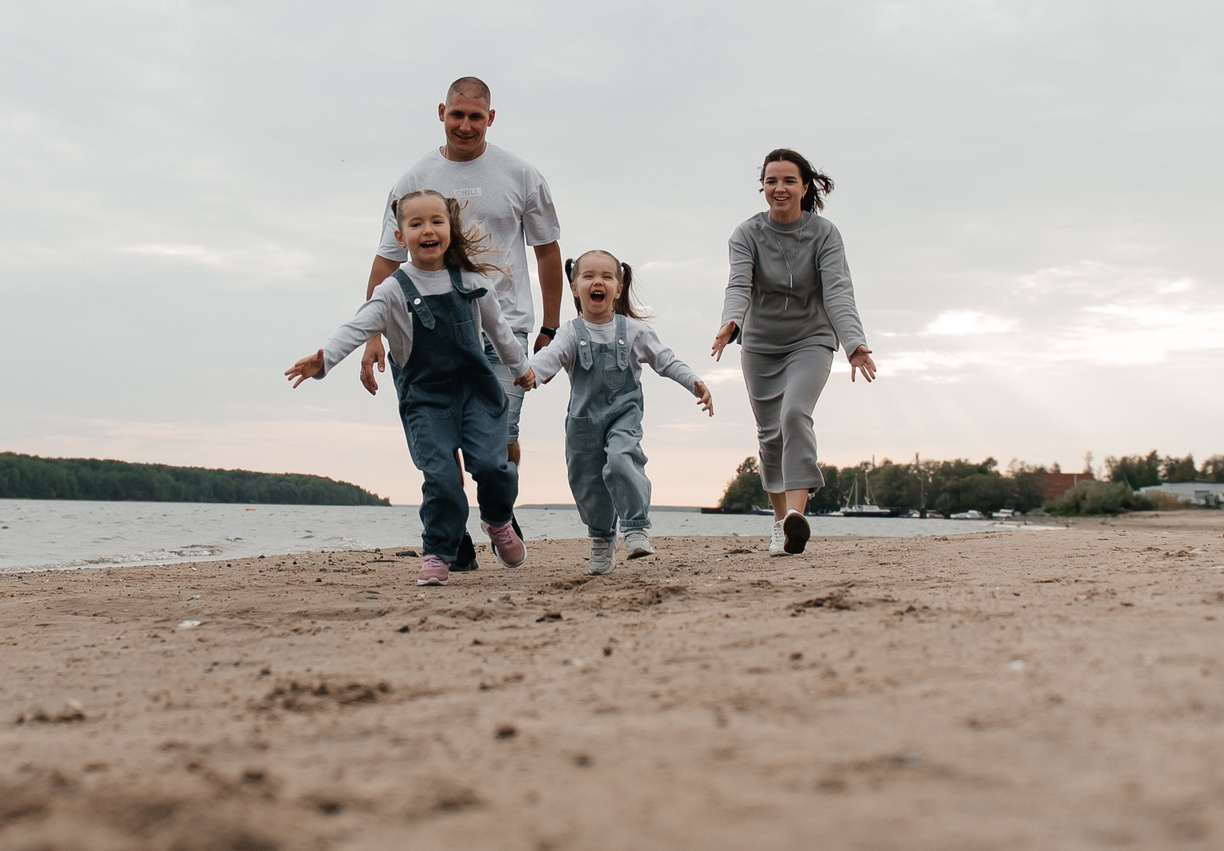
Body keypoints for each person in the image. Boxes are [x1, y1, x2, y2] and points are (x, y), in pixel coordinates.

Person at [288, 190, 531, 587]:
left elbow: (500, 332)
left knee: (492, 465)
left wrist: (521, 369)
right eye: (415, 224)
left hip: (476, 390)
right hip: (425, 399)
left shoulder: (473, 282)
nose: (427, 230)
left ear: (450, 229)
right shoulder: (392, 291)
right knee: (441, 478)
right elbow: (357, 327)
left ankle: (498, 519)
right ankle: (437, 552)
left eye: (436, 221)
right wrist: (324, 361)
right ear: (401, 238)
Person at [364, 79, 563, 513]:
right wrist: (373, 336)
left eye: (476, 117)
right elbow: (387, 259)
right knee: (444, 437)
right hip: (433, 327)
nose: (466, 126)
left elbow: (547, 251)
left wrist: (551, 324)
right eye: (457, 115)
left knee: (501, 434)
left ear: (490, 118)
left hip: (505, 323)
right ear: (441, 113)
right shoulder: (415, 179)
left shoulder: (521, 175)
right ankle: (454, 533)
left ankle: (499, 513)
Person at [709, 149, 878, 556]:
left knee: (794, 414)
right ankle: (778, 523)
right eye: (771, 181)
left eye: (788, 181)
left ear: (805, 187)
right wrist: (731, 322)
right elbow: (738, 285)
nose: (779, 188)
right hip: (761, 343)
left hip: (811, 339)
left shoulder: (824, 234)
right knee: (770, 434)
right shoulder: (746, 234)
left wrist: (854, 344)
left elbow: (838, 290)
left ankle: (795, 518)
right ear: (763, 187)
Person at [521, 250, 712, 575]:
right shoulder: (570, 332)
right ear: (575, 286)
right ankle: (601, 538)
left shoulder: (634, 331)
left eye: (607, 277)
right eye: (589, 276)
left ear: (619, 288)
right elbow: (550, 357)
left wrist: (694, 382)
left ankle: (635, 527)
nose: (598, 282)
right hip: (583, 426)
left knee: (622, 461)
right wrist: (531, 374)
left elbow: (665, 360)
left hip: (623, 418)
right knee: (588, 484)